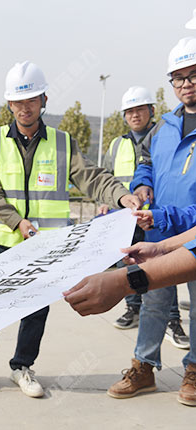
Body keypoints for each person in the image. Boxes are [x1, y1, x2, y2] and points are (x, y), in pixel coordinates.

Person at [0, 60, 142, 399]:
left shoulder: (62, 142)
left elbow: (91, 177)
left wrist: (121, 196)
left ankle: (22, 367)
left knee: (36, 308)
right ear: (9, 104)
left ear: (44, 100)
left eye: (31, 100)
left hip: (45, 244)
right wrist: (17, 223)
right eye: (18, 101)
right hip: (4, 239)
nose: (24, 108)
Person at [103, 37, 196, 401]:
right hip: (158, 232)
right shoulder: (165, 127)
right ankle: (143, 367)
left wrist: (160, 215)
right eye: (179, 77)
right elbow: (146, 163)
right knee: (153, 301)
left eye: (193, 75)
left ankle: (193, 370)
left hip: (189, 234)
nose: (186, 84)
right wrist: (142, 186)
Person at [63, 225, 196, 406]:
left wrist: (124, 282)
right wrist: (163, 247)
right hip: (165, 237)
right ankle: (144, 366)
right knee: (152, 307)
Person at [100, 86, 159, 330]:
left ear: (151, 110)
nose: (135, 115)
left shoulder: (162, 139)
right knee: (128, 263)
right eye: (129, 111)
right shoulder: (116, 145)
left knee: (160, 265)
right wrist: (105, 202)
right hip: (125, 217)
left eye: (140, 109)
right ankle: (132, 308)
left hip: (155, 216)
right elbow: (107, 178)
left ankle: (171, 317)